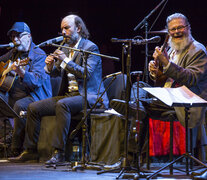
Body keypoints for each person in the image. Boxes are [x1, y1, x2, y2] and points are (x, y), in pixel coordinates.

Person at [8, 14, 109, 163]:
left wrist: (65, 60)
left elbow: (85, 74)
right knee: (33, 107)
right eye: (61, 28)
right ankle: (30, 150)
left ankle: (59, 152)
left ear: (79, 28)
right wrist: (49, 66)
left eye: (67, 28)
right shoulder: (66, 48)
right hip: (70, 95)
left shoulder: (90, 47)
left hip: (89, 95)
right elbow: (56, 72)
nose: (63, 32)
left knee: (63, 105)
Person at [111, 13, 207, 167]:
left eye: (180, 27)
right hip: (168, 96)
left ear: (188, 27)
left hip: (184, 101)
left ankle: (129, 160)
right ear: (168, 33)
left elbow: (191, 78)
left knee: (139, 106)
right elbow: (163, 81)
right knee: (139, 86)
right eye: (172, 29)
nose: (176, 32)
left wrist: (167, 64)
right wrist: (157, 72)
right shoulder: (172, 50)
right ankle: (137, 107)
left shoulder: (198, 50)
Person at [0, 22, 52, 156]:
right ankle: (4, 140)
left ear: (29, 36)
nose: (15, 40)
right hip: (15, 95)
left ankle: (15, 148)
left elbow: (36, 82)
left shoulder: (39, 55)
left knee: (20, 105)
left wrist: (22, 73)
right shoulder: (13, 53)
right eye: (12, 37)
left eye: (18, 36)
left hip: (36, 96)